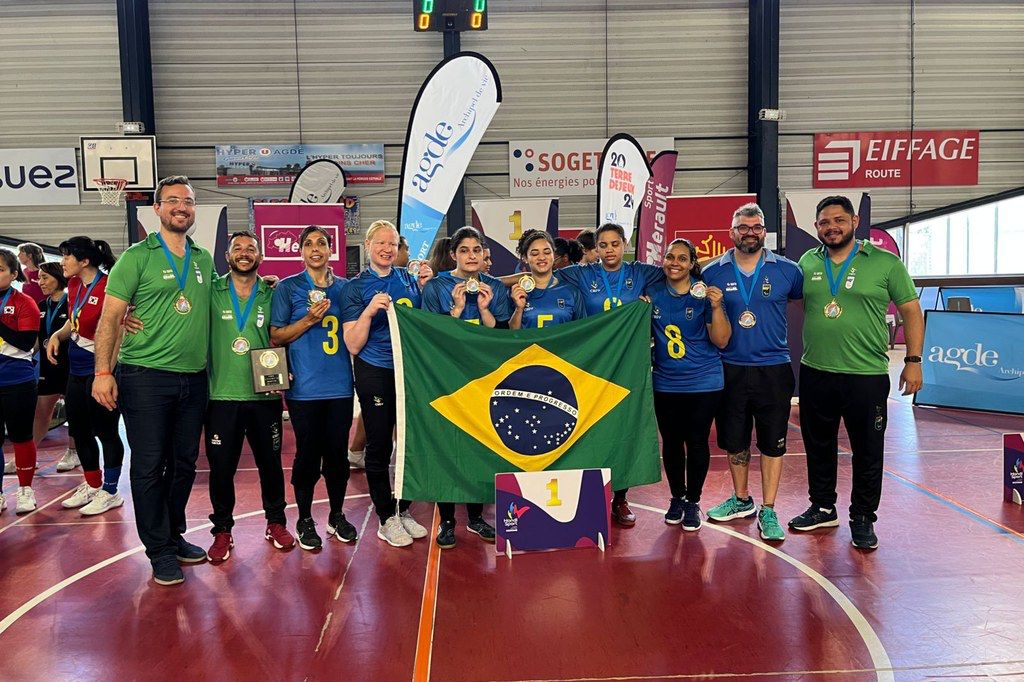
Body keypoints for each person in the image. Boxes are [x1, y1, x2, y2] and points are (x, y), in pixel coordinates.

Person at [93, 175, 214, 586]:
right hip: (145, 376)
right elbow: (110, 319)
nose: (182, 206)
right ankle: (159, 550)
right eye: (174, 200)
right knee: (148, 465)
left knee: (183, 464)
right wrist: (103, 372)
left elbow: (219, 301)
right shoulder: (135, 257)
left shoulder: (202, 259)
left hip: (193, 380)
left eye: (189, 201)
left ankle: (173, 534)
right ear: (158, 209)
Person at [789, 196, 924, 550]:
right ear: (816, 227)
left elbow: (911, 311)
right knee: (818, 446)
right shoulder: (807, 261)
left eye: (838, 220)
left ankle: (863, 517)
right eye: (824, 222)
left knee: (867, 449)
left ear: (854, 220)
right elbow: (809, 304)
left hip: (865, 375)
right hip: (816, 370)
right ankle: (822, 506)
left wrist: (913, 360)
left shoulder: (885, 262)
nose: (831, 227)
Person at [700, 203, 803, 542]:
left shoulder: (788, 271)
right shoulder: (712, 272)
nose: (749, 232)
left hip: (773, 369)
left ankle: (769, 508)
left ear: (764, 232)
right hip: (729, 368)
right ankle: (741, 499)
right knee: (735, 439)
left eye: (756, 227)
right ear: (732, 232)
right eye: (743, 227)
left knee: (773, 443)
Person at [554, 222, 666, 526]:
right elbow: (538, 277)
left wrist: (728, 258)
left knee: (624, 430)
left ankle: (620, 498)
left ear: (624, 244)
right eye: (603, 245)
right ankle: (591, 496)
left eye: (614, 244)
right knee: (590, 431)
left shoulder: (640, 272)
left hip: (628, 364)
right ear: (596, 248)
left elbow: (677, 270)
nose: (609, 250)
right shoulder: (583, 272)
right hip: (593, 366)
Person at [341, 220, 433, 548]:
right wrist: (367, 313)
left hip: (408, 371)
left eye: (392, 244)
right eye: (380, 243)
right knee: (379, 444)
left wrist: (426, 288)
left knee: (408, 443)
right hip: (374, 369)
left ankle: (402, 507)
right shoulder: (356, 287)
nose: (386, 249)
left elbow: (426, 324)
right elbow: (352, 344)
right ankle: (385, 517)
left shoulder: (408, 280)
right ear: (367, 246)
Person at [204, 230, 293, 561]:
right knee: (221, 468)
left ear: (260, 257)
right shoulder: (210, 290)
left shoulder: (272, 294)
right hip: (220, 396)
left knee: (270, 465)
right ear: (227, 257)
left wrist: (288, 369)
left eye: (251, 249)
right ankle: (223, 530)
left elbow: (282, 336)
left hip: (264, 397)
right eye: (237, 249)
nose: (244, 253)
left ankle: (276, 522)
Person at [270, 225, 358, 551]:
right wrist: (307, 320)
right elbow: (276, 336)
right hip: (304, 389)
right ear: (301, 251)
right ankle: (305, 518)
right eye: (309, 244)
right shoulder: (288, 288)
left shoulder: (346, 289)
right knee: (307, 455)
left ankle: (336, 514)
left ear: (330, 249)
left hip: (340, 388)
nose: (315, 248)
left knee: (337, 456)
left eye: (321, 242)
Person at [421, 226, 510, 548]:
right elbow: (430, 335)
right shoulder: (436, 288)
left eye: (476, 250)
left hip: (483, 378)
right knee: (447, 448)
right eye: (464, 250)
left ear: (484, 254)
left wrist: (485, 309)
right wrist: (456, 311)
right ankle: (446, 520)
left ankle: (475, 517)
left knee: (480, 446)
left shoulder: (495, 288)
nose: (471, 256)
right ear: (453, 254)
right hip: (446, 378)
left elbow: (500, 335)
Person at [647, 239, 730, 530]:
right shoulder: (654, 293)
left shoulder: (703, 295)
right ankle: (676, 497)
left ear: (692, 263)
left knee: (696, 442)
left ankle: (693, 501)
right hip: (666, 382)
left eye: (682, 258)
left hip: (703, 382)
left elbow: (721, 340)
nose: (674, 262)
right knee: (670, 443)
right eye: (670, 256)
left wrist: (717, 307)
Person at [49, 237, 126, 516]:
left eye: (67, 256)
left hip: (101, 371)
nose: (62, 262)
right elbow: (75, 318)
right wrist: (58, 334)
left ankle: (111, 490)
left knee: (105, 431)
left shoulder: (109, 286)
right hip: (76, 370)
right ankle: (93, 485)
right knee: (79, 430)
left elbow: (118, 332)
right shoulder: (72, 284)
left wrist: (106, 372)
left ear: (84, 261)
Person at [0, 248, 41, 514]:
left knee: (21, 436)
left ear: (14, 274)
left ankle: (25, 489)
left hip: (17, 380)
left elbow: (27, 343)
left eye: (0, 270)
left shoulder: (25, 301)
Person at [32, 262, 78, 470]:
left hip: (71, 364)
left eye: (45, 278)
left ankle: (73, 452)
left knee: (75, 410)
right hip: (47, 367)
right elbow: (35, 340)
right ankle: (28, 453)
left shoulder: (73, 301)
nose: (40, 282)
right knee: (41, 411)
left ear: (58, 277)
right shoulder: (41, 306)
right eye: (39, 278)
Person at [509, 230, 587, 329]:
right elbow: (512, 336)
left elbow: (582, 332)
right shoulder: (517, 293)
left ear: (553, 255)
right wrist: (519, 309)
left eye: (547, 252)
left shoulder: (572, 292)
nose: (541, 257)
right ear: (525, 258)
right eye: (534, 253)